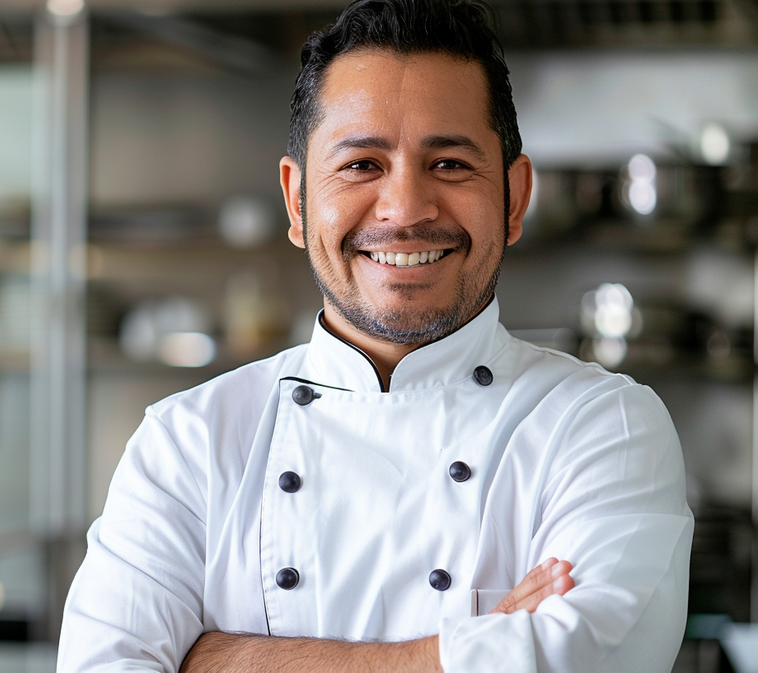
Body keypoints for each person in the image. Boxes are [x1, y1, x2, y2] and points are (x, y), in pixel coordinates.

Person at [57, 0, 694, 670]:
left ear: (514, 197)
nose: (406, 209)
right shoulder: (187, 443)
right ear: (297, 200)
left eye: (450, 163)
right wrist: (472, 652)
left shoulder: (604, 426)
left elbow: (590, 657)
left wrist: (221, 659)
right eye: (361, 164)